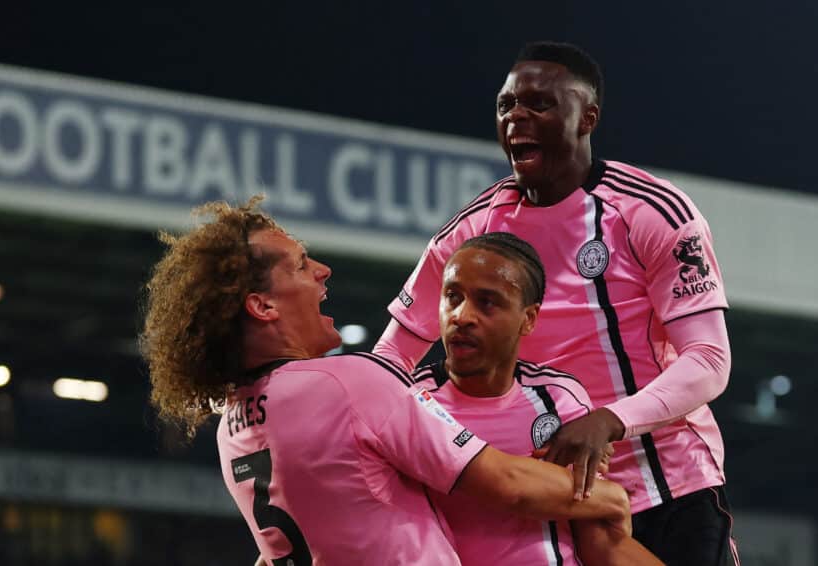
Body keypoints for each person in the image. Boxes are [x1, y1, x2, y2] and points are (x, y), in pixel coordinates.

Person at [375, 41, 738, 565]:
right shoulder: (473, 232)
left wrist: (610, 419)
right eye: (506, 106)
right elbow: (391, 359)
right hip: (556, 501)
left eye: (540, 104)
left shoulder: (652, 211)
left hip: (669, 489)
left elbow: (709, 359)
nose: (517, 116)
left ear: (586, 117)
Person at [140, 198, 634, 565]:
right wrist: (611, 497)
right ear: (263, 306)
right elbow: (507, 483)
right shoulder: (349, 383)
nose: (321, 270)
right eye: (299, 264)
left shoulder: (232, 425)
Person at [415, 232, 660, 566]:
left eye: (487, 302)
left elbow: (597, 538)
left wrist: (603, 499)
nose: (462, 316)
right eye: (452, 297)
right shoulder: (411, 400)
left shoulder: (558, 397)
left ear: (528, 318)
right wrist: (612, 497)